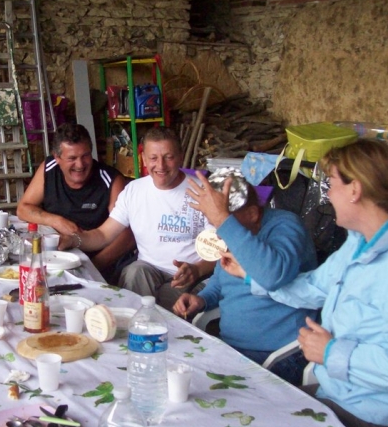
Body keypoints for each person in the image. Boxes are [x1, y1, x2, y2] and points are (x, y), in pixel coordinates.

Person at [223, 139, 388, 427]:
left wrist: (333, 352)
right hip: (334, 392)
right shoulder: (359, 243)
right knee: (239, 424)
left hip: (377, 417)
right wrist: (252, 277)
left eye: (331, 183)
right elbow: (312, 288)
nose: (327, 194)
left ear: (355, 189)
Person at [173, 177, 318, 385]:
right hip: (230, 348)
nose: (219, 228)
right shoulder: (233, 233)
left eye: (223, 219)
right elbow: (221, 278)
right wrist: (202, 299)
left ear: (252, 213)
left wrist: (226, 224)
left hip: (278, 353)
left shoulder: (285, 226)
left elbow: (272, 276)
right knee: (178, 372)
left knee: (208, 391)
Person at [60, 127, 215, 310]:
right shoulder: (135, 190)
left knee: (163, 300)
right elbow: (103, 235)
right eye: (153, 158)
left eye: (169, 157)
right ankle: (136, 327)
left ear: (180, 157)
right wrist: (73, 239)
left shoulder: (204, 192)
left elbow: (219, 252)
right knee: (135, 271)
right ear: (143, 159)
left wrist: (197, 269)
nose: (161, 166)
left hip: (189, 276)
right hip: (148, 272)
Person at [16, 123, 136, 283]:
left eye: (85, 156)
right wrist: (57, 221)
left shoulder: (111, 180)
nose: (80, 165)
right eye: (72, 158)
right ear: (57, 158)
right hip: (57, 258)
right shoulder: (49, 168)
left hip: (98, 262)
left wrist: (92, 267)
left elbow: (128, 235)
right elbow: (23, 209)